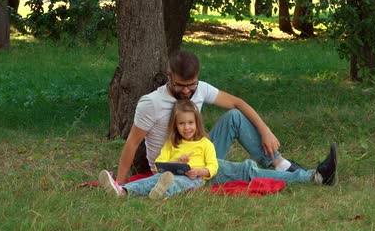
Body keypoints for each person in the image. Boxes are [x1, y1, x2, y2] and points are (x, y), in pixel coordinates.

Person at [112, 50, 337, 187]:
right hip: (179, 171)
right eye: (181, 85)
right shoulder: (151, 103)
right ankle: (312, 177)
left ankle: (279, 163)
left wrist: (266, 131)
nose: (188, 91)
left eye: (192, 84)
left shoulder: (199, 88)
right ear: (169, 77)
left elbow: (237, 102)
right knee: (247, 170)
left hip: (203, 154)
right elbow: (132, 144)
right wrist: (120, 185)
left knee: (235, 116)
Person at [99, 100, 219, 199]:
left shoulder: (205, 143)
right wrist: (177, 162)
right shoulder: (171, 143)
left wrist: (199, 171)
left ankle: (162, 192)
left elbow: (213, 166)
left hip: (193, 178)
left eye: (190, 123)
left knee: (178, 182)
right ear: (176, 126)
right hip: (167, 175)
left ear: (197, 123)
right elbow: (159, 165)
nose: (187, 127)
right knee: (152, 179)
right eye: (182, 123)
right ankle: (123, 191)